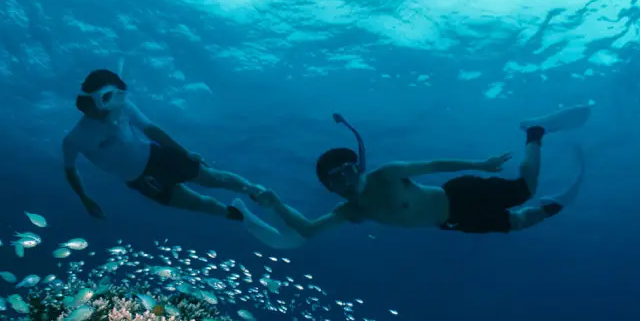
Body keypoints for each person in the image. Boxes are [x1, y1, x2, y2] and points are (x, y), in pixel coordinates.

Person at [246, 105, 591, 240]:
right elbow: (307, 229)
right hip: (451, 222)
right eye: (335, 176)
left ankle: (535, 130)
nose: (345, 175)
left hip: (458, 193)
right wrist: (275, 203)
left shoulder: (386, 174)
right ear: (331, 187)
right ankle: (556, 204)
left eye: (348, 166)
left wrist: (479, 164)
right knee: (517, 223)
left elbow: (435, 165)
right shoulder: (351, 210)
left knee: (523, 190)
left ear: (358, 165)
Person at [63, 68, 304, 248]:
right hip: (140, 178)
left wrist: (183, 151)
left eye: (119, 95)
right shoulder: (75, 138)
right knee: (194, 203)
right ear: (90, 100)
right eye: (108, 97)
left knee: (211, 178)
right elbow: (70, 169)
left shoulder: (123, 108)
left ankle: (254, 191)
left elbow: (151, 129)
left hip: (157, 156)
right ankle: (237, 216)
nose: (116, 103)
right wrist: (84, 198)